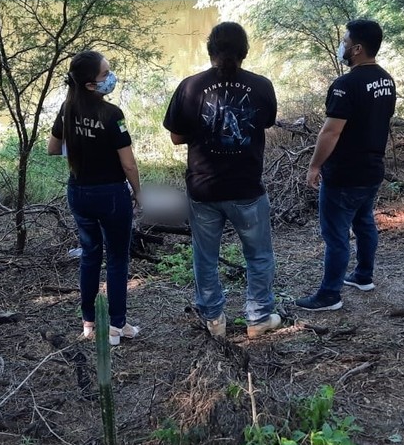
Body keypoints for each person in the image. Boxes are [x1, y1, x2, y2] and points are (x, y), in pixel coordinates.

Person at [163, 22, 281, 338]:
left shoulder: (190, 86)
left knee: (205, 257)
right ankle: (258, 318)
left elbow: (176, 136)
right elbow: (265, 122)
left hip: (203, 188)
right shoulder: (261, 86)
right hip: (246, 188)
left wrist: (203, 131)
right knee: (258, 256)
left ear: (210, 50)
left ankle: (214, 320)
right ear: (244, 51)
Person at [295, 19, 396, 311]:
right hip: (372, 170)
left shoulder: (346, 85)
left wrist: (315, 166)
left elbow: (331, 131)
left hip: (345, 173)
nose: (343, 45)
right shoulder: (386, 80)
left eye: (346, 41)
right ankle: (363, 276)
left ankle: (330, 294)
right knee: (364, 222)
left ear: (358, 48)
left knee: (336, 234)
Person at [48, 50, 141, 345]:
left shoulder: (67, 108)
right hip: (112, 194)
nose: (110, 78)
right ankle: (116, 326)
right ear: (90, 84)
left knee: (90, 256)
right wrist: (138, 192)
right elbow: (128, 163)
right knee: (116, 259)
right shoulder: (112, 114)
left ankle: (89, 323)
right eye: (105, 75)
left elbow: (52, 148)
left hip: (79, 192)